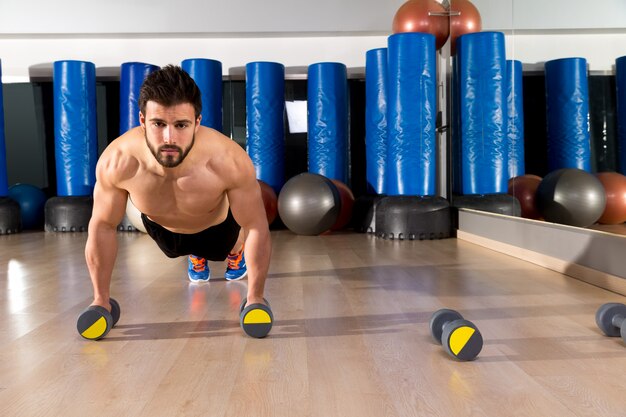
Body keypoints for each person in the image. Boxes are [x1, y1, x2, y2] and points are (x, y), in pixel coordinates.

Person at [84, 64, 271, 315]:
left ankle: (235, 253)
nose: (169, 137)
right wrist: (100, 300)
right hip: (163, 230)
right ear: (142, 120)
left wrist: (255, 297)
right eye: (158, 124)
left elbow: (256, 225)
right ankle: (195, 253)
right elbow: (102, 226)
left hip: (219, 229)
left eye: (181, 125)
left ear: (197, 122)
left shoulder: (228, 160)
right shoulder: (118, 161)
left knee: (239, 233)